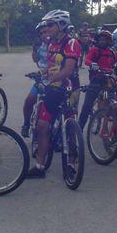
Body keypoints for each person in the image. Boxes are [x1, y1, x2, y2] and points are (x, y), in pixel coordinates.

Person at [27, 10, 81, 179]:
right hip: (52, 89)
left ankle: (71, 162)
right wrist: (42, 75)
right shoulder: (51, 43)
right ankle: (40, 165)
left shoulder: (72, 43)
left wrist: (49, 80)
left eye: (50, 25)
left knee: (71, 126)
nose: (46, 28)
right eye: (45, 25)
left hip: (69, 89)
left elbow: (67, 70)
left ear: (61, 25)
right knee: (42, 126)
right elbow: (51, 66)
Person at [78, 30, 117, 130]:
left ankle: (116, 131)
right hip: (96, 79)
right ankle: (79, 129)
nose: (102, 41)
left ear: (109, 41)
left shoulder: (112, 52)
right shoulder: (94, 50)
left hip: (109, 79)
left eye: (105, 40)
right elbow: (87, 60)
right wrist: (92, 64)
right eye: (100, 39)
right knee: (87, 105)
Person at [21, 22, 50, 138]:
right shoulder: (40, 44)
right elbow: (35, 59)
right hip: (42, 77)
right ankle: (26, 124)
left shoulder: (56, 44)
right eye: (41, 33)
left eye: (45, 31)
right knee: (29, 101)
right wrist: (34, 48)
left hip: (54, 77)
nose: (43, 35)